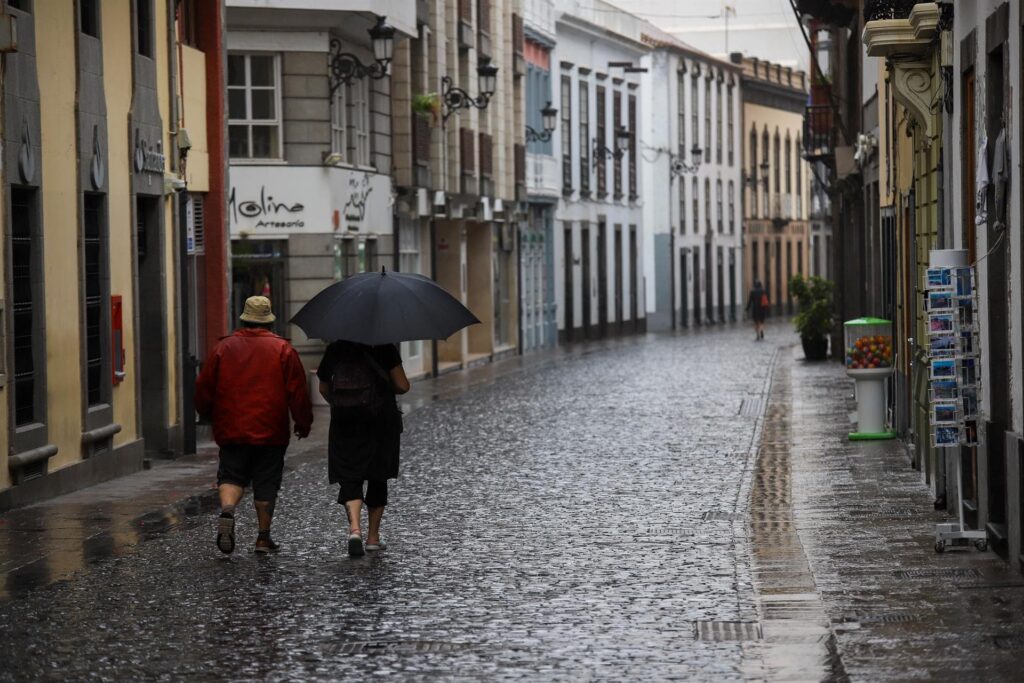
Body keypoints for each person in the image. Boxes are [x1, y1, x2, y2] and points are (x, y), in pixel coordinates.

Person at [195, 296, 313, 556]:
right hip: (271, 430)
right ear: (269, 321)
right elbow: (298, 391)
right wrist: (303, 423)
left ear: (243, 318)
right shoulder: (283, 349)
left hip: (231, 428)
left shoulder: (222, 348)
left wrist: (207, 414)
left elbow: (204, 387)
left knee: (231, 475)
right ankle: (262, 537)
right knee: (266, 481)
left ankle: (228, 511)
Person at [317, 340, 410, 558]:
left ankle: (355, 531)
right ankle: (373, 538)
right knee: (378, 476)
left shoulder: (335, 348)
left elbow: (323, 387)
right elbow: (403, 385)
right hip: (380, 422)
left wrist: (343, 403)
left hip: (345, 423)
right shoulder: (385, 347)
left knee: (350, 476)